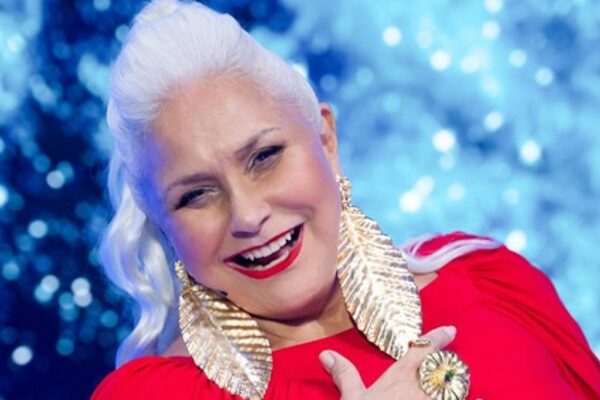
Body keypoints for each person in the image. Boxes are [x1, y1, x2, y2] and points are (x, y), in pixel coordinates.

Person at [92, 1, 600, 399]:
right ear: (162, 223)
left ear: (326, 141)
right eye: (197, 195)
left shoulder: (490, 280)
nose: (248, 215)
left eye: (265, 157)